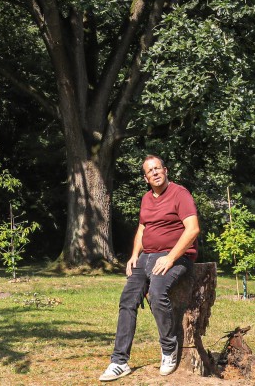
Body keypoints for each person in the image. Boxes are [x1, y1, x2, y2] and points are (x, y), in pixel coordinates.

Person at [98, 155, 199, 381]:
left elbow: (192, 230)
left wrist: (171, 258)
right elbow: (143, 229)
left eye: (157, 168)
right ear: (145, 178)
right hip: (148, 256)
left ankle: (168, 347)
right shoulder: (146, 198)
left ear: (165, 170)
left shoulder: (180, 194)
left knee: (156, 293)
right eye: (149, 171)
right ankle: (119, 361)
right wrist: (135, 255)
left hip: (176, 256)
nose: (154, 173)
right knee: (127, 300)